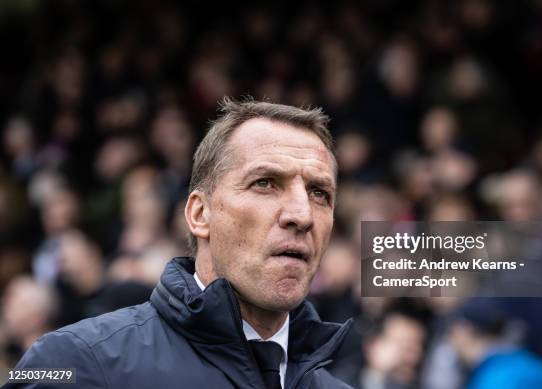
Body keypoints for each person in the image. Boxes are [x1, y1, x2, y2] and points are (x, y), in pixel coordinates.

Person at [5, 98, 353, 389]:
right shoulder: (76, 363)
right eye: (265, 183)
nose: (302, 214)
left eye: (319, 192)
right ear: (200, 215)